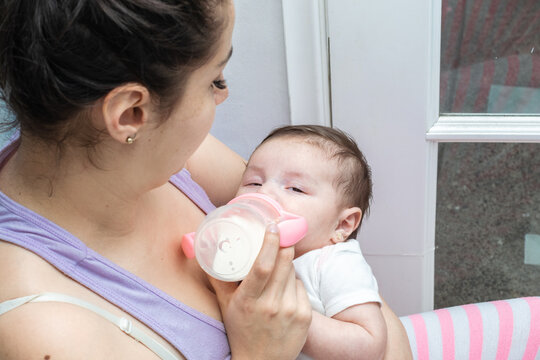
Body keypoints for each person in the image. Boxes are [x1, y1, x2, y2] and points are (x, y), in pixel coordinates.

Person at [0, 1, 411, 359]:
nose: (222, 96)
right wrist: (260, 354)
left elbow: (326, 239)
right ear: (130, 114)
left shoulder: (155, 155)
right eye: (215, 80)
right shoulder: (45, 329)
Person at [235, 125, 384, 359]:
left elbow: (369, 344)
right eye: (254, 182)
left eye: (295, 188)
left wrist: (292, 319)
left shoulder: (334, 263)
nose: (264, 193)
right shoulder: (246, 249)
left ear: (342, 225)